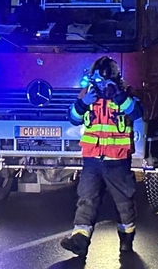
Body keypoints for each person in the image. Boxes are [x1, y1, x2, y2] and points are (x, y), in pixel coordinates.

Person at [60, 57, 141, 257]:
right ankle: (79, 241)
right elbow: (72, 118)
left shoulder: (126, 94)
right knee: (86, 199)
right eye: (97, 80)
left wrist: (120, 97)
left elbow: (137, 113)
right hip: (92, 160)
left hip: (118, 161)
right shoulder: (87, 95)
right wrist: (82, 103)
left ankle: (126, 240)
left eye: (105, 81)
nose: (101, 84)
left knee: (124, 202)